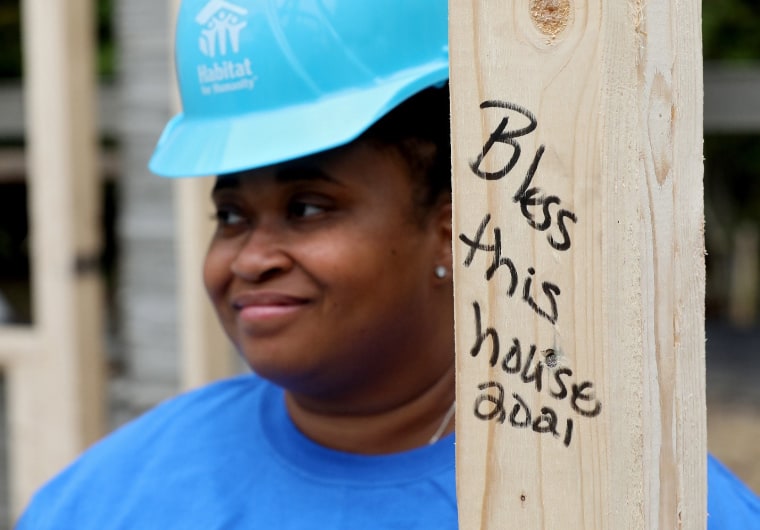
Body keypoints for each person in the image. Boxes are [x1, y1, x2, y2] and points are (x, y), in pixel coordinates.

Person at [15, 1, 760, 528]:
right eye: (231, 216)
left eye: (309, 208)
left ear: (453, 226)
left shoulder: (640, 502)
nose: (251, 258)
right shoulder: (111, 498)